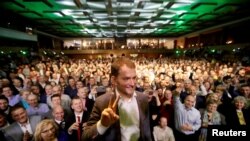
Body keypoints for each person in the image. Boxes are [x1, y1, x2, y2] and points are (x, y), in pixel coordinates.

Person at [83, 57, 152, 141]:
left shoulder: (143, 99)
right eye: (126, 79)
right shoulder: (102, 102)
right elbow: (85, 137)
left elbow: (147, 130)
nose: (132, 83)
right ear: (114, 80)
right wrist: (102, 124)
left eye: (134, 78)